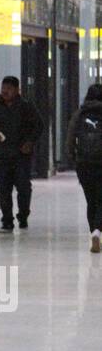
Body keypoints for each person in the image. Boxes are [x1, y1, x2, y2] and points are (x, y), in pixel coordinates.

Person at [0, 76, 44, 231]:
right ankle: (7, 219)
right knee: (3, 189)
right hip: (0, 155)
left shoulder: (26, 106)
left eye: (8, 88)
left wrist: (30, 142)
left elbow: (38, 125)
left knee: (24, 187)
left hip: (21, 155)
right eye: (3, 87)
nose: (5, 91)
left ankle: (23, 215)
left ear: (17, 90)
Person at [65, 83, 102, 251]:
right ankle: (97, 231)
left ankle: (93, 231)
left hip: (84, 163)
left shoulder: (80, 113)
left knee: (91, 200)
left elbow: (70, 137)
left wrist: (73, 158)